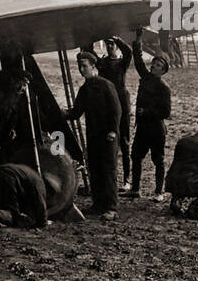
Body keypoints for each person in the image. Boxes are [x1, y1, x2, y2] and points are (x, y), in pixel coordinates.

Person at [67, 50, 121, 220]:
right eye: (79, 66)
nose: (81, 69)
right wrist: (60, 113)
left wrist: (113, 131)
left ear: (93, 66)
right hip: (94, 135)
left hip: (108, 136)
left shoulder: (106, 85)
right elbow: (76, 112)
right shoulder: (85, 89)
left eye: (84, 66)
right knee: (95, 169)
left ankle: (112, 208)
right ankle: (98, 204)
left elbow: (116, 110)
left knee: (108, 171)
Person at [123, 31, 171, 201]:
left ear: (163, 70)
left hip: (156, 130)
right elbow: (138, 61)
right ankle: (135, 189)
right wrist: (138, 41)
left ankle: (159, 192)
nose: (153, 66)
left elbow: (166, 112)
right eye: (154, 63)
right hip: (142, 128)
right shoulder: (146, 77)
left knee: (158, 160)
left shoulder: (164, 88)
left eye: (158, 65)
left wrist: (147, 112)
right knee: (136, 156)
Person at [94, 35, 132, 188]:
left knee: (124, 141)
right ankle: (110, 178)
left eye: (112, 44)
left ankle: (127, 180)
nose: (110, 47)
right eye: (107, 44)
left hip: (122, 105)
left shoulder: (121, 63)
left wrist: (118, 39)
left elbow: (128, 52)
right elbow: (89, 54)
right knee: (108, 141)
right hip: (106, 105)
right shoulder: (101, 63)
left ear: (116, 46)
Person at [0, 161, 49, 230]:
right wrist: (43, 224)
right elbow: (41, 205)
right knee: (13, 215)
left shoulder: (30, 174)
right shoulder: (39, 183)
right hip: (8, 178)